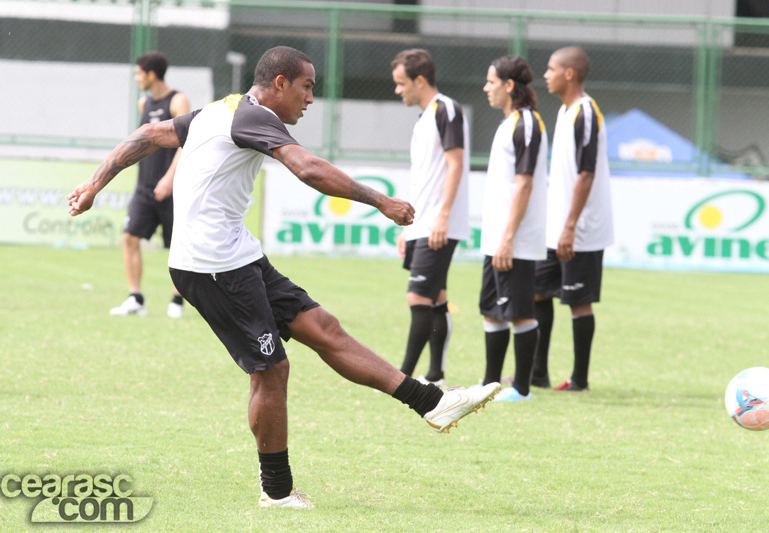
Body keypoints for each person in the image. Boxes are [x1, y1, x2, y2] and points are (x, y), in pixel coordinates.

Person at [68, 46, 499, 509]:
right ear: (279, 83)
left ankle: (432, 403)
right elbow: (308, 168)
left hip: (236, 254)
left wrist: (94, 185)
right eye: (307, 87)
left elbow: (148, 136)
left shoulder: (222, 110)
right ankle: (276, 492)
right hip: (210, 265)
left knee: (323, 327)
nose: (310, 99)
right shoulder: (252, 117)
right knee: (271, 369)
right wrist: (382, 201)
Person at [532, 46, 614, 392]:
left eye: (551, 69)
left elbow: (586, 174)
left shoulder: (585, 113)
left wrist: (569, 226)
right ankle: (537, 372)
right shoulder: (566, 113)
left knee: (578, 303)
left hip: (580, 230)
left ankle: (579, 379)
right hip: (555, 228)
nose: (546, 75)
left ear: (569, 74)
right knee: (537, 292)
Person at [391, 49, 470, 388]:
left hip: (439, 222)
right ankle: (435, 375)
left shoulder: (446, 109)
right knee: (436, 297)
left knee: (418, 297)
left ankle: (401, 377)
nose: (398, 91)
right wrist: (407, 229)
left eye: (401, 83)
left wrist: (443, 217)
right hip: (422, 224)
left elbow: (456, 163)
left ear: (419, 80)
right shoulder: (424, 119)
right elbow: (423, 177)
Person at [479, 56, 548, 402]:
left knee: (519, 311)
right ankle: (491, 382)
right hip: (497, 237)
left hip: (516, 240)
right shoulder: (508, 123)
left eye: (491, 82)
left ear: (508, 85)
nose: (486, 88)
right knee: (491, 308)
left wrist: (508, 238)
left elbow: (524, 185)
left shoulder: (527, 124)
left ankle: (522, 389)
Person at [110, 51, 191, 318]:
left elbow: (186, 143)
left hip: (174, 188)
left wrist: (169, 179)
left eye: (138, 73)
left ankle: (177, 301)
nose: (136, 79)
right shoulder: (143, 103)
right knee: (129, 236)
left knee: (179, 245)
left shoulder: (178, 101)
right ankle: (136, 298)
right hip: (144, 187)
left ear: (151, 74)